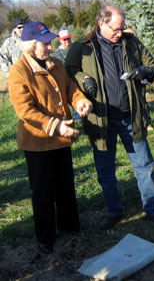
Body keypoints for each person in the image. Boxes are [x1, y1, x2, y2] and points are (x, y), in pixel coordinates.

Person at [65, 6, 154, 229]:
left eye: (122, 28)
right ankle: (113, 211)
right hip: (100, 120)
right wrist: (84, 79)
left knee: (144, 165)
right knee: (105, 170)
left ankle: (152, 208)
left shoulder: (131, 42)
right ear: (101, 24)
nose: (120, 32)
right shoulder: (82, 47)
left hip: (131, 117)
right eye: (116, 28)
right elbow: (68, 71)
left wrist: (144, 72)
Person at [8, 21, 92, 254]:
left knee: (65, 185)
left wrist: (80, 101)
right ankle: (46, 237)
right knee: (43, 191)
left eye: (50, 42)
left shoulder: (56, 64)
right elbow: (25, 110)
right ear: (31, 46)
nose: (50, 46)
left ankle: (69, 225)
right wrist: (55, 126)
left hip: (61, 139)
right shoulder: (19, 71)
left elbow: (70, 89)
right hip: (38, 142)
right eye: (45, 43)